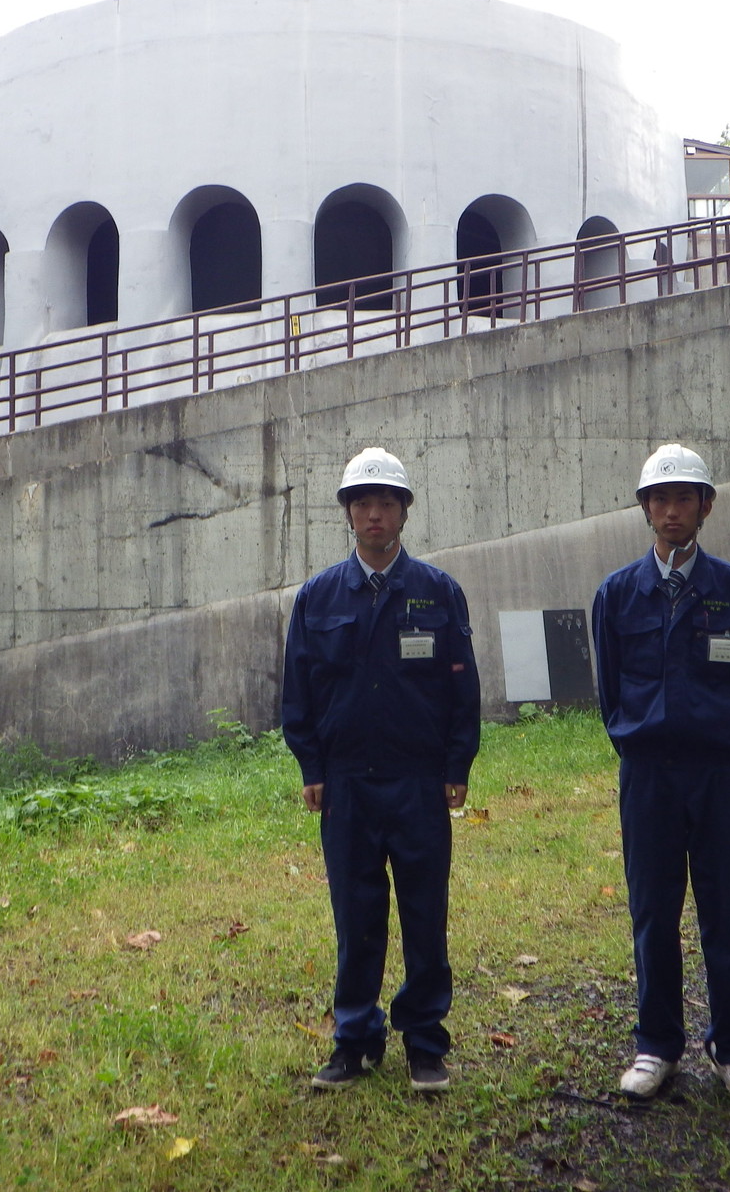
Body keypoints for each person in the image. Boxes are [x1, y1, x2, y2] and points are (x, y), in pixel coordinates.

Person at [282, 446, 481, 1093]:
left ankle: (425, 1041)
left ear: (404, 512)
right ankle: (355, 1038)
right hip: (347, 785)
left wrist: (457, 764)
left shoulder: (436, 591)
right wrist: (311, 764)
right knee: (357, 914)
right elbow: (298, 691)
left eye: (386, 502)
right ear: (348, 513)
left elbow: (462, 688)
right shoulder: (317, 597)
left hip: (419, 782)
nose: (374, 513)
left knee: (425, 912)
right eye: (362, 502)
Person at [590, 443, 730, 1105]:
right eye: (660, 499)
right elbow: (610, 687)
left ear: (706, 505)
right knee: (652, 911)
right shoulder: (617, 593)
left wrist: (718, 734)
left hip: (716, 771)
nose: (672, 510)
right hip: (648, 775)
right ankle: (656, 1045)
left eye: (684, 498)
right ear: (645, 509)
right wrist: (640, 742)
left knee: (722, 910)